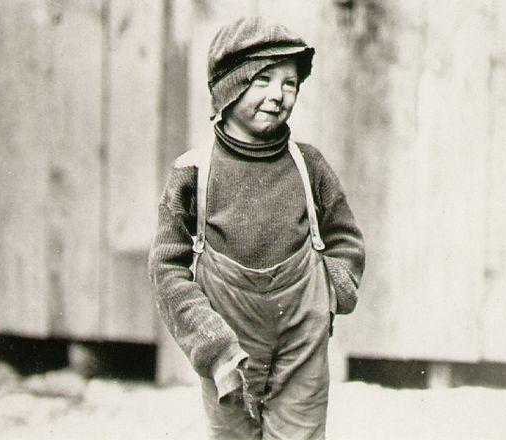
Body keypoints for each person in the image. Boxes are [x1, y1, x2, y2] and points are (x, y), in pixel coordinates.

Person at [149, 16, 365, 439]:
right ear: (230, 85)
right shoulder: (193, 173)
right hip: (227, 344)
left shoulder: (309, 165)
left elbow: (345, 239)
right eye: (263, 79)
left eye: (290, 83)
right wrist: (212, 345)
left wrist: (332, 292)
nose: (278, 95)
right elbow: (166, 269)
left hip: (301, 342)